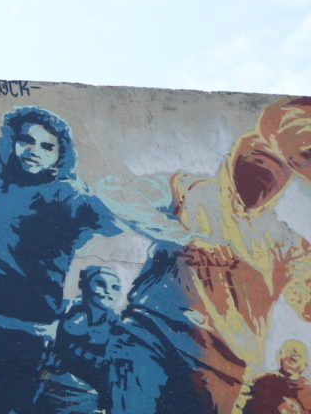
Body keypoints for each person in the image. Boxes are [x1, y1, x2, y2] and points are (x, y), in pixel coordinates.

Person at [97, 97, 311, 414]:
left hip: (222, 369)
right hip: (151, 337)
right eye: (256, 162)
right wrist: (185, 238)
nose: (263, 177)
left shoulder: (284, 241)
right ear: (236, 157)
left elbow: (304, 295)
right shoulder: (188, 189)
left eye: (275, 172)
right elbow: (115, 191)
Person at [0, 106, 123, 413]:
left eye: (47, 146)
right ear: (13, 142)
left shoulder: (64, 194)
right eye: (26, 140)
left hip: (24, 332)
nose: (34, 151)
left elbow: (111, 221)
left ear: (60, 155)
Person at [34, 266, 122, 413]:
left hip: (88, 400)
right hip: (51, 390)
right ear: (84, 285)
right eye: (101, 284)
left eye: (115, 287)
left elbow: (113, 375)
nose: (108, 291)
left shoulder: (118, 328)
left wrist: (105, 406)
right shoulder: (66, 310)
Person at [237, 340, 311, 413]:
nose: (294, 353)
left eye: (300, 352)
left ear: (305, 364)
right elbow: (240, 406)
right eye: (289, 349)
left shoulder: (308, 389)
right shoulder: (260, 380)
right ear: (280, 355)